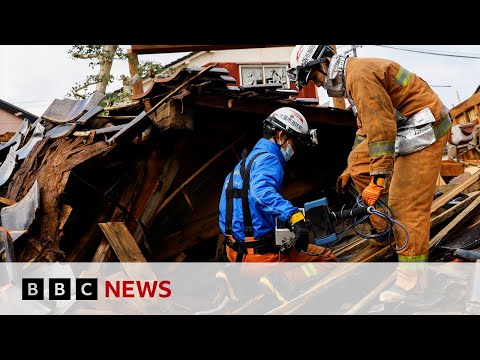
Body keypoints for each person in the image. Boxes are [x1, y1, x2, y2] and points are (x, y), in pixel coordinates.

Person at [287, 45, 452, 302]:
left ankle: (412, 283)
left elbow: (382, 130)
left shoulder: (359, 76)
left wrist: (377, 180)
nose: (318, 86)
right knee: (357, 161)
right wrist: (350, 169)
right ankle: (385, 227)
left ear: (323, 64)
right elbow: (365, 129)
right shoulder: (352, 76)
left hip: (425, 128)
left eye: (315, 78)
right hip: (404, 126)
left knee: (406, 206)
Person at [218, 106, 337, 264]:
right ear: (281, 135)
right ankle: (280, 284)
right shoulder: (269, 159)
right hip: (260, 256)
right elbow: (260, 192)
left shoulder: (246, 162)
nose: (293, 150)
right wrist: (293, 217)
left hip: (234, 250)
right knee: (326, 257)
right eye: (294, 143)